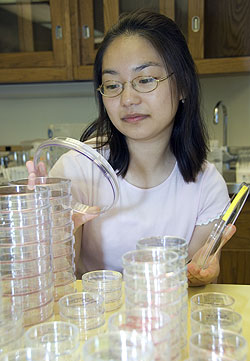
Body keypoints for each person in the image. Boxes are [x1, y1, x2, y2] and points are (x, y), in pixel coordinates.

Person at [27, 9, 236, 286]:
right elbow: (57, 281)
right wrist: (47, 227)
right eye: (113, 84)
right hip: (94, 323)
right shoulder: (76, 170)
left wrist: (200, 274)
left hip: (165, 321)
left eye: (146, 79)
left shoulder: (206, 183)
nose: (127, 98)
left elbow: (197, 273)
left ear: (183, 85)